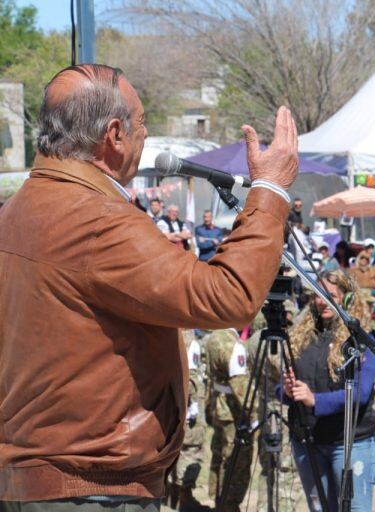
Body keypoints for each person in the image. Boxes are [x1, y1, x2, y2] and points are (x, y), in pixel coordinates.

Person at [0, 64, 296, 509]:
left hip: (39, 480)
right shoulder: (95, 220)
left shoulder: (17, 209)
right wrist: (270, 191)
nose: (145, 136)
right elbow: (228, 297)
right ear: (114, 135)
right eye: (141, 124)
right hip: (92, 489)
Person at [280, 270, 375, 512]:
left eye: (330, 295)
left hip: (349, 442)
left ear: (346, 299)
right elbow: (283, 386)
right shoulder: (300, 337)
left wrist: (315, 400)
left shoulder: (362, 339)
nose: (322, 301)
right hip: (307, 440)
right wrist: (286, 390)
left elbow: (361, 393)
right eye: (318, 295)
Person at [250, 302, 303, 512]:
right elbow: (284, 368)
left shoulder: (253, 340)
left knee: (267, 466)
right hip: (279, 407)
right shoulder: (278, 342)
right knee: (284, 466)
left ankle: (264, 507)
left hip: (263, 404)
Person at [206, 328, 256, 511]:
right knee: (236, 459)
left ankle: (219, 499)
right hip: (233, 411)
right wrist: (254, 414)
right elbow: (239, 384)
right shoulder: (233, 345)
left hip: (219, 405)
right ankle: (229, 503)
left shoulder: (213, 336)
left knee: (219, 455)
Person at [169, 330, 208, 511]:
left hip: (174, 398)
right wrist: (192, 404)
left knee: (177, 449)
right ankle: (184, 498)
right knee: (191, 448)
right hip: (189, 401)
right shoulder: (189, 339)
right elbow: (191, 374)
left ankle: (173, 497)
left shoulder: (174, 332)